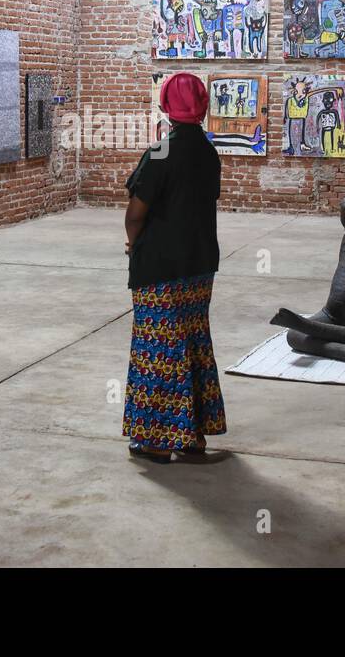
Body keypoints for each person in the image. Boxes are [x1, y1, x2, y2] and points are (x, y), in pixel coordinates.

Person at [122, 72, 227, 464]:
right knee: (193, 343)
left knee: (158, 349)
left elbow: (136, 214)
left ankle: (155, 439)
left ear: (167, 104)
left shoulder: (162, 151)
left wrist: (133, 243)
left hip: (161, 268)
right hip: (199, 264)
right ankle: (193, 436)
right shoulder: (208, 152)